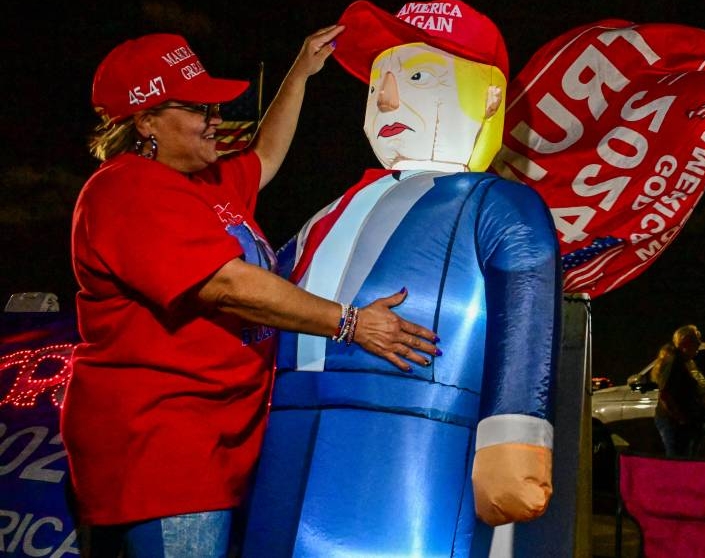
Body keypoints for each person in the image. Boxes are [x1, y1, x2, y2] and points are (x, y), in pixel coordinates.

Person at [63, 28, 439, 558]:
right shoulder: (124, 189)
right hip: (163, 449)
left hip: (218, 439)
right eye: (199, 108)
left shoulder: (205, 180)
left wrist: (301, 71)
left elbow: (265, 153)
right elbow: (228, 284)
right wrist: (351, 323)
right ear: (146, 120)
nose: (217, 118)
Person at [242, 0, 561, 558]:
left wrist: (516, 437)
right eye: (377, 84)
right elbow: (264, 298)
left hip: (415, 438)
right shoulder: (335, 208)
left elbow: (527, 319)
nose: (387, 97)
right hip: (288, 430)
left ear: (489, 97)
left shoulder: (500, 205)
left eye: (416, 77)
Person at [652, 325, 705, 457]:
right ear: (685, 342)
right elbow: (665, 394)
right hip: (674, 424)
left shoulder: (687, 362)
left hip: (686, 422)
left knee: (684, 458)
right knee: (677, 459)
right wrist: (681, 419)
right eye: (695, 340)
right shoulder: (674, 362)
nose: (699, 344)